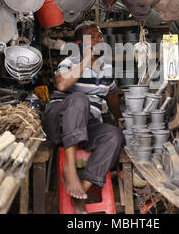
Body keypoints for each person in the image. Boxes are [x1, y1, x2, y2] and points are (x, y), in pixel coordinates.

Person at [41, 21, 123, 214]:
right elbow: (61, 86)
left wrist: (121, 120)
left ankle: (82, 192)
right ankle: (69, 169)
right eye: (92, 37)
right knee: (79, 99)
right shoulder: (70, 61)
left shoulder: (106, 68)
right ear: (79, 43)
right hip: (58, 124)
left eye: (100, 36)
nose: (98, 40)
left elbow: (112, 97)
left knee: (114, 136)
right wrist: (86, 59)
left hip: (85, 128)